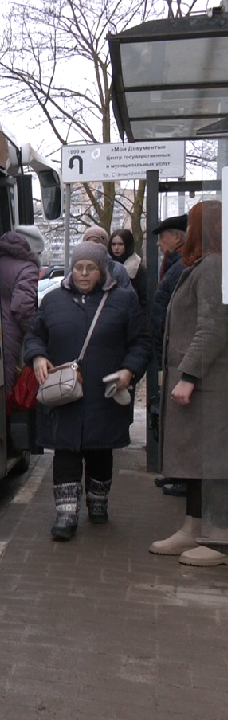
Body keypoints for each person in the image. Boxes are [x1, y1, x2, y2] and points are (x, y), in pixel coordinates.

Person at [24, 241, 151, 540]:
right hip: (64, 393)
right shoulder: (53, 300)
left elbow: (141, 342)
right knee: (65, 452)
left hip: (103, 391)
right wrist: (38, 356)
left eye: (90, 268)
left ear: (102, 271)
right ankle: (66, 515)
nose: (83, 273)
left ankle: (98, 503)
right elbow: (34, 335)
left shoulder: (123, 301)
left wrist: (129, 370)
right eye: (78, 267)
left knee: (99, 451)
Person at [149, 201, 228, 566]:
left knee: (211, 463)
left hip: (207, 385)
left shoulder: (212, 266)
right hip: (200, 383)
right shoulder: (205, 265)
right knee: (197, 463)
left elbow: (213, 326)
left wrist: (190, 375)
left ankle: (217, 539)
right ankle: (193, 527)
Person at [146, 214, 188, 496]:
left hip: (178, 351)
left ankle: (183, 477)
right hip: (171, 350)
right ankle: (177, 473)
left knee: (182, 420)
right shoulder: (175, 263)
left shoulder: (182, 264)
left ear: (177, 237)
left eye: (163, 238)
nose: (160, 244)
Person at [0, 230, 39, 395]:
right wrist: (33, 331)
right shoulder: (27, 267)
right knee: (6, 383)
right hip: (9, 331)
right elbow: (22, 305)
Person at [81, 226, 132, 290]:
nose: (92, 245)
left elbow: (129, 296)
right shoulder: (76, 269)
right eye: (89, 242)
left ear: (104, 244)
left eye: (96, 241)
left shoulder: (117, 269)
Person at [109, 228, 147, 307]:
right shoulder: (105, 266)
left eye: (120, 244)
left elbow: (144, 299)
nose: (116, 248)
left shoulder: (138, 269)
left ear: (127, 245)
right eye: (113, 244)